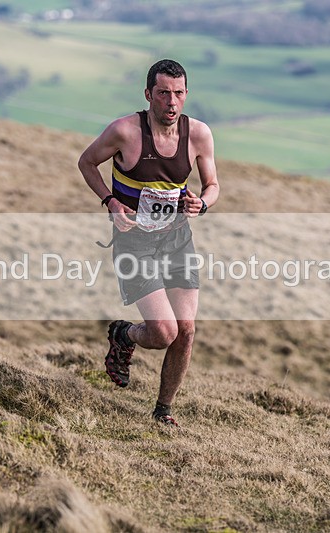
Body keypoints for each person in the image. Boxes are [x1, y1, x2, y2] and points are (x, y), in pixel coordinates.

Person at [78, 59, 220, 427]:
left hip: (177, 240)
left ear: (186, 95)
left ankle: (163, 411)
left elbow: (212, 185)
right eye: (163, 93)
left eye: (178, 94)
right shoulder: (124, 132)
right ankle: (124, 334)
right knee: (163, 332)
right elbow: (87, 162)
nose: (171, 102)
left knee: (186, 330)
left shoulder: (199, 134)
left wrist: (203, 203)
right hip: (134, 243)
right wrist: (110, 202)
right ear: (148, 94)